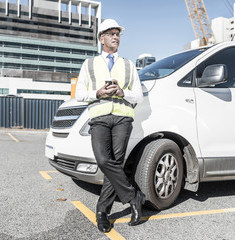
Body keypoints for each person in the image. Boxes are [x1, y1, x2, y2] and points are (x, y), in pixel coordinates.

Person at [75, 19, 145, 233]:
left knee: (114, 164)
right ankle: (134, 197)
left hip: (123, 118)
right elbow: (79, 94)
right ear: (101, 38)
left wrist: (122, 92)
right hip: (100, 118)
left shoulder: (128, 64)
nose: (116, 37)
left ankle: (102, 212)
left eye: (118, 34)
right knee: (104, 161)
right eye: (111, 33)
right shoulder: (88, 64)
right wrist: (98, 93)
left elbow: (139, 96)